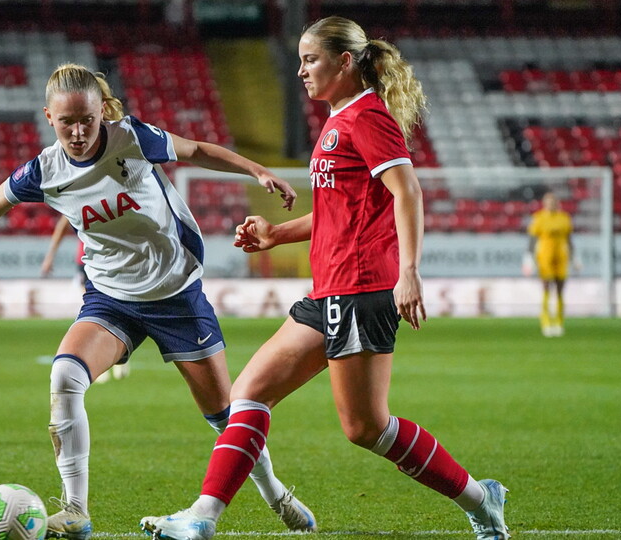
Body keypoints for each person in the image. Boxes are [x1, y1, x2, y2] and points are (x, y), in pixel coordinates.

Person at [0, 63, 316, 540]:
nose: (80, 131)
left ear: (102, 111)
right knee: (65, 375)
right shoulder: (44, 170)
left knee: (224, 415)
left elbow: (196, 150)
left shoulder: (133, 138)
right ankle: (76, 509)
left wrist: (256, 170)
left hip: (176, 294)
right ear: (49, 117)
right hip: (111, 299)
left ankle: (274, 491)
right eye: (68, 122)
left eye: (88, 119)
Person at [140, 16, 509, 540]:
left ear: (344, 62)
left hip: (361, 289)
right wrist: (275, 234)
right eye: (299, 60)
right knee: (248, 393)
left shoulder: (368, 118)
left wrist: (408, 271)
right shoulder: (338, 121)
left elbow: (408, 192)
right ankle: (202, 519)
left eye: (310, 60)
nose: (300, 71)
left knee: (366, 428)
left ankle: (480, 497)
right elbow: (340, 212)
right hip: (329, 289)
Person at [41, 217, 127, 382]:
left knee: (105, 307)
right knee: (98, 308)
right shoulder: (79, 197)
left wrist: (50, 255)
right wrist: (50, 255)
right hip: (88, 259)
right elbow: (62, 224)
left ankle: (112, 356)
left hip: (105, 259)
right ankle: (110, 358)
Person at [523, 191, 575, 337]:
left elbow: (569, 239)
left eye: (553, 202)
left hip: (561, 257)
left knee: (560, 289)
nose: (551, 204)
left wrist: (574, 258)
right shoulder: (539, 218)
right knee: (546, 288)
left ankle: (558, 322)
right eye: (548, 202)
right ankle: (546, 322)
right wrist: (529, 257)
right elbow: (532, 240)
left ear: (557, 203)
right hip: (545, 257)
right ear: (544, 204)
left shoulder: (564, 218)